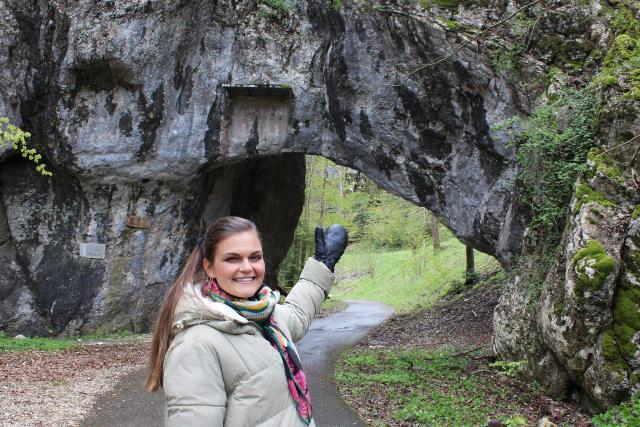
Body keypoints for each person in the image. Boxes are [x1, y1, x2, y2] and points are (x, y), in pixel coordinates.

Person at [146, 216, 348, 427]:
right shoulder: (196, 345)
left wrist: (323, 265)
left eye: (255, 257)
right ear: (209, 267)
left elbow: (296, 314)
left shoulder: (264, 314)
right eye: (233, 259)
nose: (247, 267)